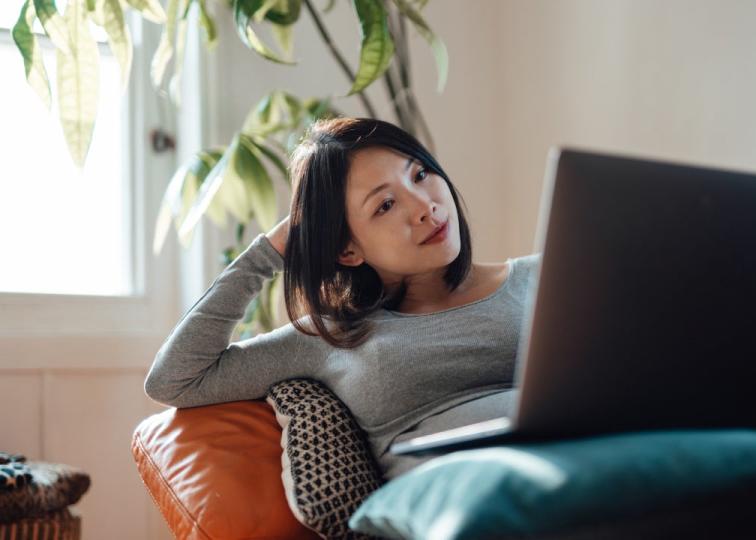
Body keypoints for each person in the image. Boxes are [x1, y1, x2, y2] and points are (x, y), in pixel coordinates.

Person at [144, 117, 541, 479]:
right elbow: (176, 380)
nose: (424, 207)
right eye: (385, 205)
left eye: (420, 174)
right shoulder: (330, 336)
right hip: (461, 504)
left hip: (585, 470)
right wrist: (268, 253)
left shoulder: (545, 276)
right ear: (348, 250)